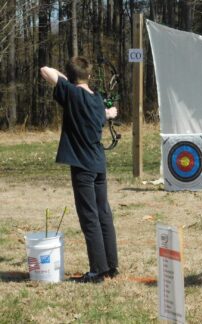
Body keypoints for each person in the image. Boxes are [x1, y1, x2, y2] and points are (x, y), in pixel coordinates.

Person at [40, 56, 119, 283]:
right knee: (103, 212)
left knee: (89, 217)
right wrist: (109, 112)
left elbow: (45, 69)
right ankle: (111, 265)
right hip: (98, 164)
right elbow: (105, 114)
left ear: (71, 78)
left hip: (83, 166)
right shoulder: (97, 99)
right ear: (90, 76)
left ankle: (97, 271)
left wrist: (66, 81)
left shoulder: (72, 94)